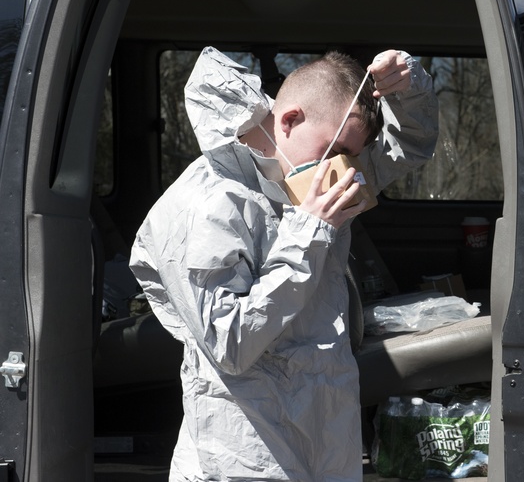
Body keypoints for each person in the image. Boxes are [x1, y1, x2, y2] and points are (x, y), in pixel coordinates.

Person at [130, 46, 439, 481]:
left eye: (350, 155)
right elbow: (230, 343)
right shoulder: (202, 204)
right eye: (334, 151)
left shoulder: (306, 171)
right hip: (246, 452)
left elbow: (409, 146)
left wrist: (409, 87)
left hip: (328, 437)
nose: (343, 170)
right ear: (290, 119)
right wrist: (311, 231)